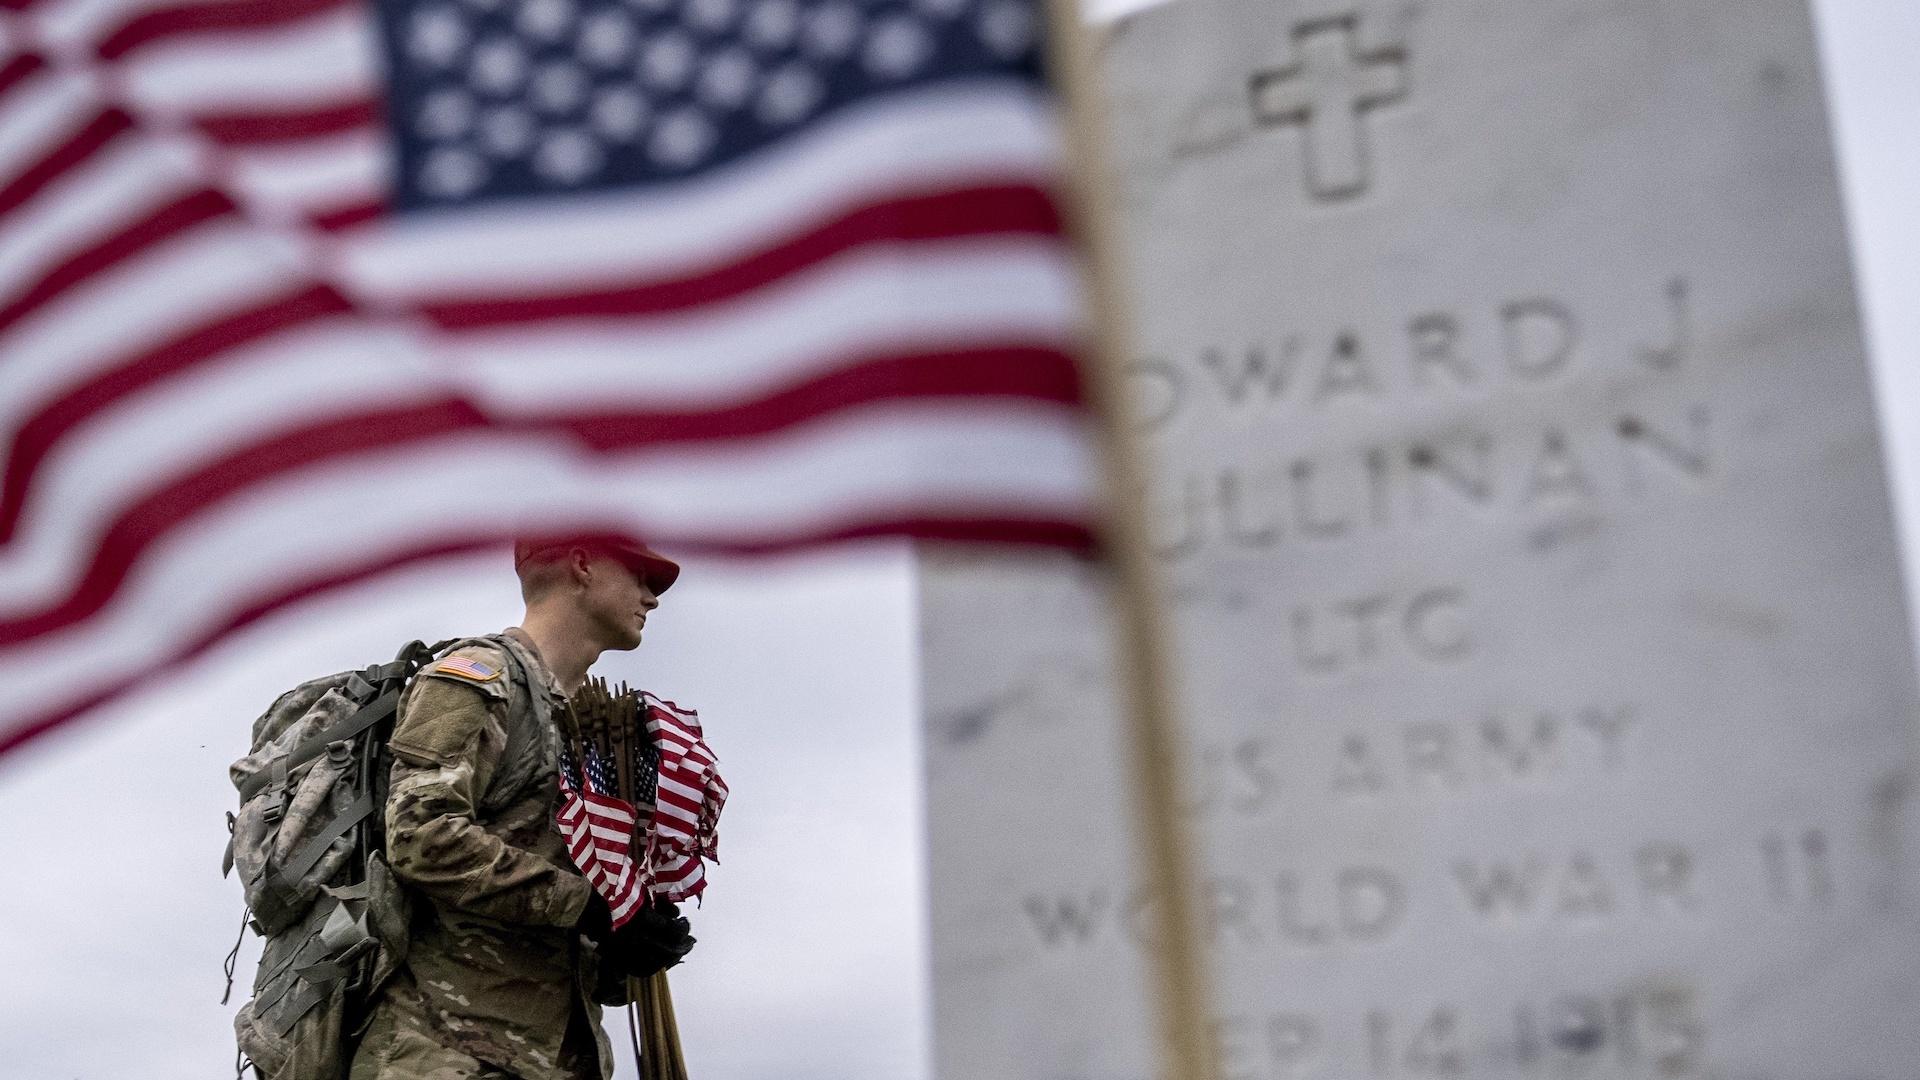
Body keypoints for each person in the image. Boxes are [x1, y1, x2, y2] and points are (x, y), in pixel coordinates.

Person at [349, 535, 696, 1080]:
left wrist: (628, 942)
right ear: (581, 563)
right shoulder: (477, 678)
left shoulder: (592, 727)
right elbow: (421, 836)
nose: (652, 596)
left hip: (558, 1058)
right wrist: (588, 907)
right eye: (639, 576)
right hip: (447, 1053)